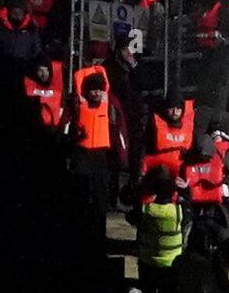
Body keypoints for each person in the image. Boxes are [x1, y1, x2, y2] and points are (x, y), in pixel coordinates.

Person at [63, 66, 127, 254]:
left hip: (102, 157)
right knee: (81, 198)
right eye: (92, 90)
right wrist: (69, 142)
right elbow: (65, 126)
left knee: (101, 201)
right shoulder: (76, 103)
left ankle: (99, 239)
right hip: (81, 155)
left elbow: (120, 131)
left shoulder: (111, 103)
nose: (96, 93)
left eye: (99, 89)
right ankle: (80, 237)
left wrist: (121, 157)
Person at [129, 165, 186, 293]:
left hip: (148, 264)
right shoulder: (178, 212)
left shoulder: (146, 211)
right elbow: (190, 203)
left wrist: (142, 192)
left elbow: (130, 215)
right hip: (171, 267)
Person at [105, 34, 148, 200]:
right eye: (125, 49)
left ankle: (133, 193)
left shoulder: (135, 66)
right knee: (115, 155)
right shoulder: (110, 67)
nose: (129, 52)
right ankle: (112, 193)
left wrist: (134, 66)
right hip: (117, 116)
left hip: (134, 117)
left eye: (131, 49)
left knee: (135, 156)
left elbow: (144, 83)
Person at [181, 134, 228, 236]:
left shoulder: (220, 155)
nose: (203, 159)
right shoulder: (188, 158)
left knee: (208, 223)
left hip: (211, 200)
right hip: (193, 199)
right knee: (191, 223)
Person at [0, 0, 42, 72]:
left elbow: (36, 49)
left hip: (24, 67)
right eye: (14, 13)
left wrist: (27, 62)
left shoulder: (31, 29)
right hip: (2, 67)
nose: (17, 16)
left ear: (24, 13)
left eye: (19, 13)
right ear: (9, 12)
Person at [22, 57, 64, 129]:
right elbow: (30, 91)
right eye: (40, 71)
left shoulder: (59, 70)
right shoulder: (30, 81)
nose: (43, 74)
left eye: (45, 71)